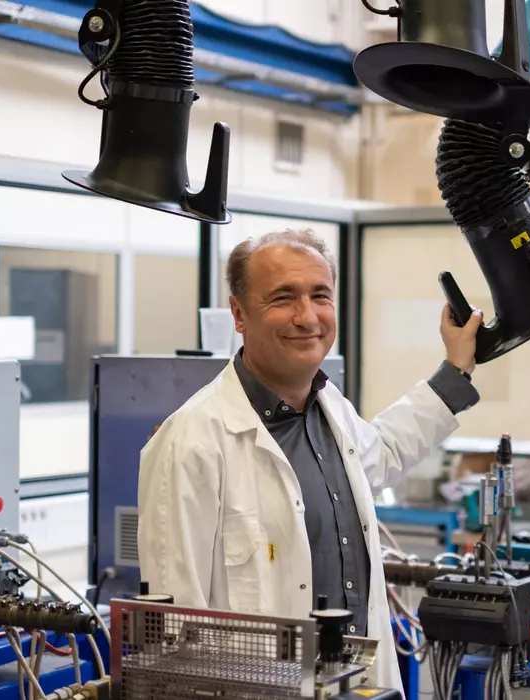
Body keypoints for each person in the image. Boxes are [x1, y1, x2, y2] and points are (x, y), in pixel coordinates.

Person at [137, 228, 483, 694]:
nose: (307, 316)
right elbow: (174, 630)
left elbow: (384, 452)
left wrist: (456, 367)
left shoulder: (329, 408)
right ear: (239, 314)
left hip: (356, 684)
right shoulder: (192, 440)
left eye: (320, 295)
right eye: (282, 297)